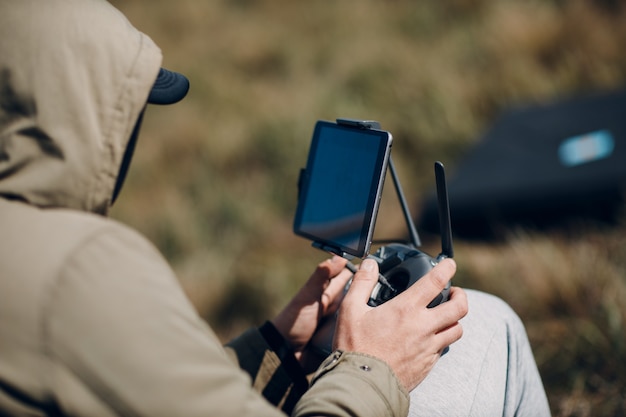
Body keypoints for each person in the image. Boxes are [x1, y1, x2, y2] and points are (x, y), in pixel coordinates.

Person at [0, 1, 550, 416]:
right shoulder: (77, 270)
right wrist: (371, 366)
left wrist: (270, 351)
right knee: (489, 325)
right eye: (129, 109)